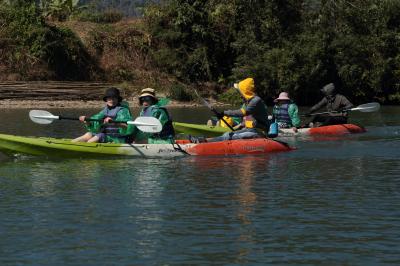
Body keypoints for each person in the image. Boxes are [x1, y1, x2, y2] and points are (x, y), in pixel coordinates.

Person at [192, 77, 269, 143]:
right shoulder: (248, 102)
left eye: (240, 91)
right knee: (227, 134)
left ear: (245, 91)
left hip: (260, 132)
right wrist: (222, 115)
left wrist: (224, 113)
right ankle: (204, 140)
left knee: (232, 136)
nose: (240, 94)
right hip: (251, 129)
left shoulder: (256, 101)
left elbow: (243, 112)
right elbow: (246, 118)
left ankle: (203, 142)